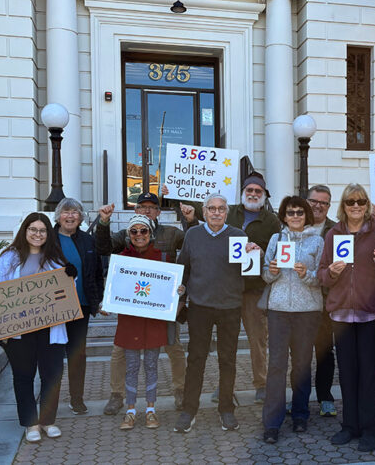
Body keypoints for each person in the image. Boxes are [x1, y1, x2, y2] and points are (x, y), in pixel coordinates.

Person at [180, 172, 279, 404]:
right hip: (223, 288)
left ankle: (261, 383)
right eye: (249, 190)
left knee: (257, 339)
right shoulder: (229, 211)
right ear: (243, 193)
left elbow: (274, 252)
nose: (253, 194)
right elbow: (205, 221)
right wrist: (180, 204)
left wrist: (261, 253)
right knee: (224, 345)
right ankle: (225, 388)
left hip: (254, 288)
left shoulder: (271, 220)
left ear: (263, 195)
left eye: (258, 191)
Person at [174, 193, 259, 433]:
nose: (216, 212)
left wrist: (254, 254)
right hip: (200, 307)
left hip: (230, 306)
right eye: (211, 208)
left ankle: (226, 409)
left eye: (221, 208)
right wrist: (180, 298)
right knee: (196, 359)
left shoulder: (239, 236)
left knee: (228, 360)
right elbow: (184, 270)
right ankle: (189, 410)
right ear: (204, 211)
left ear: (227, 212)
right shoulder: (193, 235)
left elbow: (250, 273)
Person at [97, 192, 188, 414]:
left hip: (162, 307)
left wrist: (190, 219)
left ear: (158, 212)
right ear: (135, 211)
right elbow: (103, 248)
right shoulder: (125, 234)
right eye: (142, 206)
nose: (147, 210)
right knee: (120, 350)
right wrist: (103, 223)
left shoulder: (172, 233)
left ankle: (180, 390)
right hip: (133, 306)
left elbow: (193, 246)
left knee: (174, 347)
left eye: (152, 207)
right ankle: (117, 394)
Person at [318, 184, 375, 452]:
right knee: (347, 373)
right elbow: (322, 275)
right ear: (344, 205)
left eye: (360, 201)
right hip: (341, 314)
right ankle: (350, 426)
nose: (356, 206)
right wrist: (333, 273)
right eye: (350, 201)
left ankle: (372, 429)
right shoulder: (333, 234)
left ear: (366, 203)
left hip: (372, 313)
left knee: (370, 374)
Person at [0, 213, 74, 443]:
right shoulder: (9, 258)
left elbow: (67, 292)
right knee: (23, 376)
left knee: (52, 375)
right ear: (24, 231)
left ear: (48, 234)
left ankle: (48, 421)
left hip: (50, 328)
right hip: (20, 329)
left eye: (42, 230)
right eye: (33, 229)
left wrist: (71, 275)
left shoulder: (56, 259)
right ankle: (31, 423)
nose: (37, 234)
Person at [260, 196, 325, 443]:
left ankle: (300, 414)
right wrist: (272, 272)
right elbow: (265, 274)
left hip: (307, 311)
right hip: (278, 310)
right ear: (284, 216)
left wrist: (306, 274)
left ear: (306, 215)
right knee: (276, 365)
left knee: (301, 365)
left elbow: (322, 277)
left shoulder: (317, 241)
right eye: (290, 212)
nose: (295, 216)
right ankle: (272, 422)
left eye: (299, 212)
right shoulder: (276, 239)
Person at [114, 215, 174, 431]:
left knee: (151, 366)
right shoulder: (121, 259)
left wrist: (178, 291)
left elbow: (169, 287)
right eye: (134, 231)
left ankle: (150, 409)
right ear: (129, 235)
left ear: (150, 234)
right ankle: (130, 411)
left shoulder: (162, 258)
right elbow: (115, 289)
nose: (139, 235)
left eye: (143, 231)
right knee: (131, 367)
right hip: (131, 322)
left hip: (153, 321)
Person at [52, 198, 104, 416]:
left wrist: (98, 299)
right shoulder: (47, 239)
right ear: (58, 216)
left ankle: (77, 398)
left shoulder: (87, 241)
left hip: (80, 305)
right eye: (66, 212)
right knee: (52, 355)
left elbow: (96, 271)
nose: (70, 216)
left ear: (81, 217)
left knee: (77, 354)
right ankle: (49, 400)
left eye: (75, 212)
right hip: (53, 308)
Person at [306, 184, 339, 417]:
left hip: (325, 301)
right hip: (300, 302)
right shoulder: (295, 226)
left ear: (329, 206)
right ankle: (299, 398)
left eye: (323, 202)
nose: (318, 206)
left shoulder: (337, 231)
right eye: (314, 201)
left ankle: (325, 397)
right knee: (299, 355)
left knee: (325, 353)